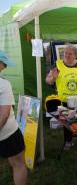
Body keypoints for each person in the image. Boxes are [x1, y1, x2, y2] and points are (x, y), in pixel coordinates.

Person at [46, 44, 77, 150]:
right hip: (64, 100)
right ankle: (68, 141)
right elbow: (48, 81)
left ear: (75, 55)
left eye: (70, 53)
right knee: (66, 122)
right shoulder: (57, 65)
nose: (66, 55)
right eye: (65, 53)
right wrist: (53, 78)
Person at [0, 50, 27, 185]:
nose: (5, 67)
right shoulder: (3, 84)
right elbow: (4, 115)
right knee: (19, 164)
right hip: (7, 133)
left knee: (15, 162)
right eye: (4, 64)